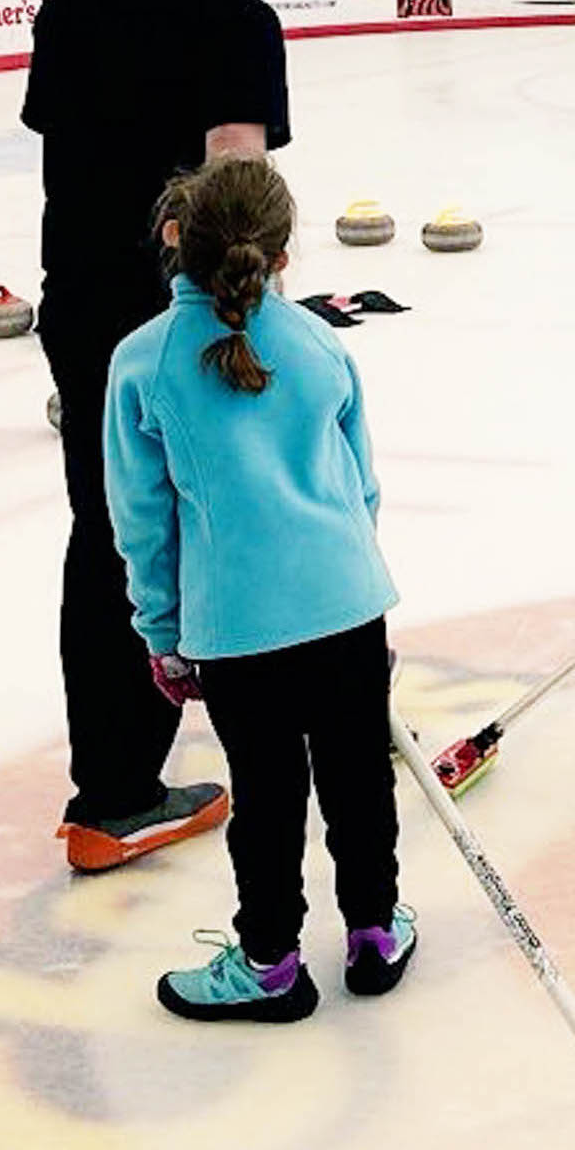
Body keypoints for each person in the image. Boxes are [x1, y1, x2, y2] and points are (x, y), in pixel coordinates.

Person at [24, 0, 293, 875]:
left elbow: (70, 162)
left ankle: (113, 792)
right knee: (228, 516)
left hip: (81, 314)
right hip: (182, 322)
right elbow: (236, 190)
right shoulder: (234, 19)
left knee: (109, 529)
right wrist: (260, 326)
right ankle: (273, 742)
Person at [103, 157, 406, 1023]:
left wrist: (161, 633)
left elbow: (141, 521)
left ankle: (271, 960)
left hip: (238, 629)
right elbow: (362, 488)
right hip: (348, 607)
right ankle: (374, 930)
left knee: (267, 797)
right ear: (281, 255)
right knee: (359, 782)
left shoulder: (142, 363)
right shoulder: (318, 342)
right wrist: (344, 583)